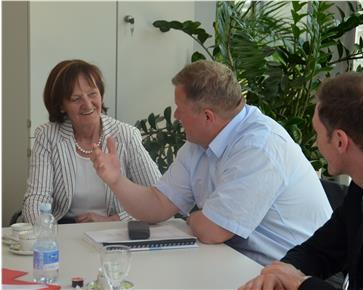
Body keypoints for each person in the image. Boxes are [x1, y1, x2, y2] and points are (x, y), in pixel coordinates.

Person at [91, 60, 332, 265]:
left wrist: (193, 218)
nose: (175, 116)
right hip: (237, 262)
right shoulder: (199, 142)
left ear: (207, 116)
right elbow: (157, 205)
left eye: (179, 108)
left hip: (290, 272)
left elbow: (212, 231)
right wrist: (116, 180)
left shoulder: (260, 146)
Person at [238, 72, 363, 290]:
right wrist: (283, 271)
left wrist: (301, 284)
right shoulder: (362, 186)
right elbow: (324, 249)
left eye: (317, 132)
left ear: (340, 141)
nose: (316, 143)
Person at [22, 59, 161, 224]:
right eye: (76, 99)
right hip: (63, 230)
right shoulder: (47, 136)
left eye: (92, 94)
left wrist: (114, 220)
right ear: (61, 106)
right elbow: (37, 198)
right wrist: (47, 236)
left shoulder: (126, 135)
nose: (87, 104)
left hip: (116, 231)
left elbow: (158, 197)